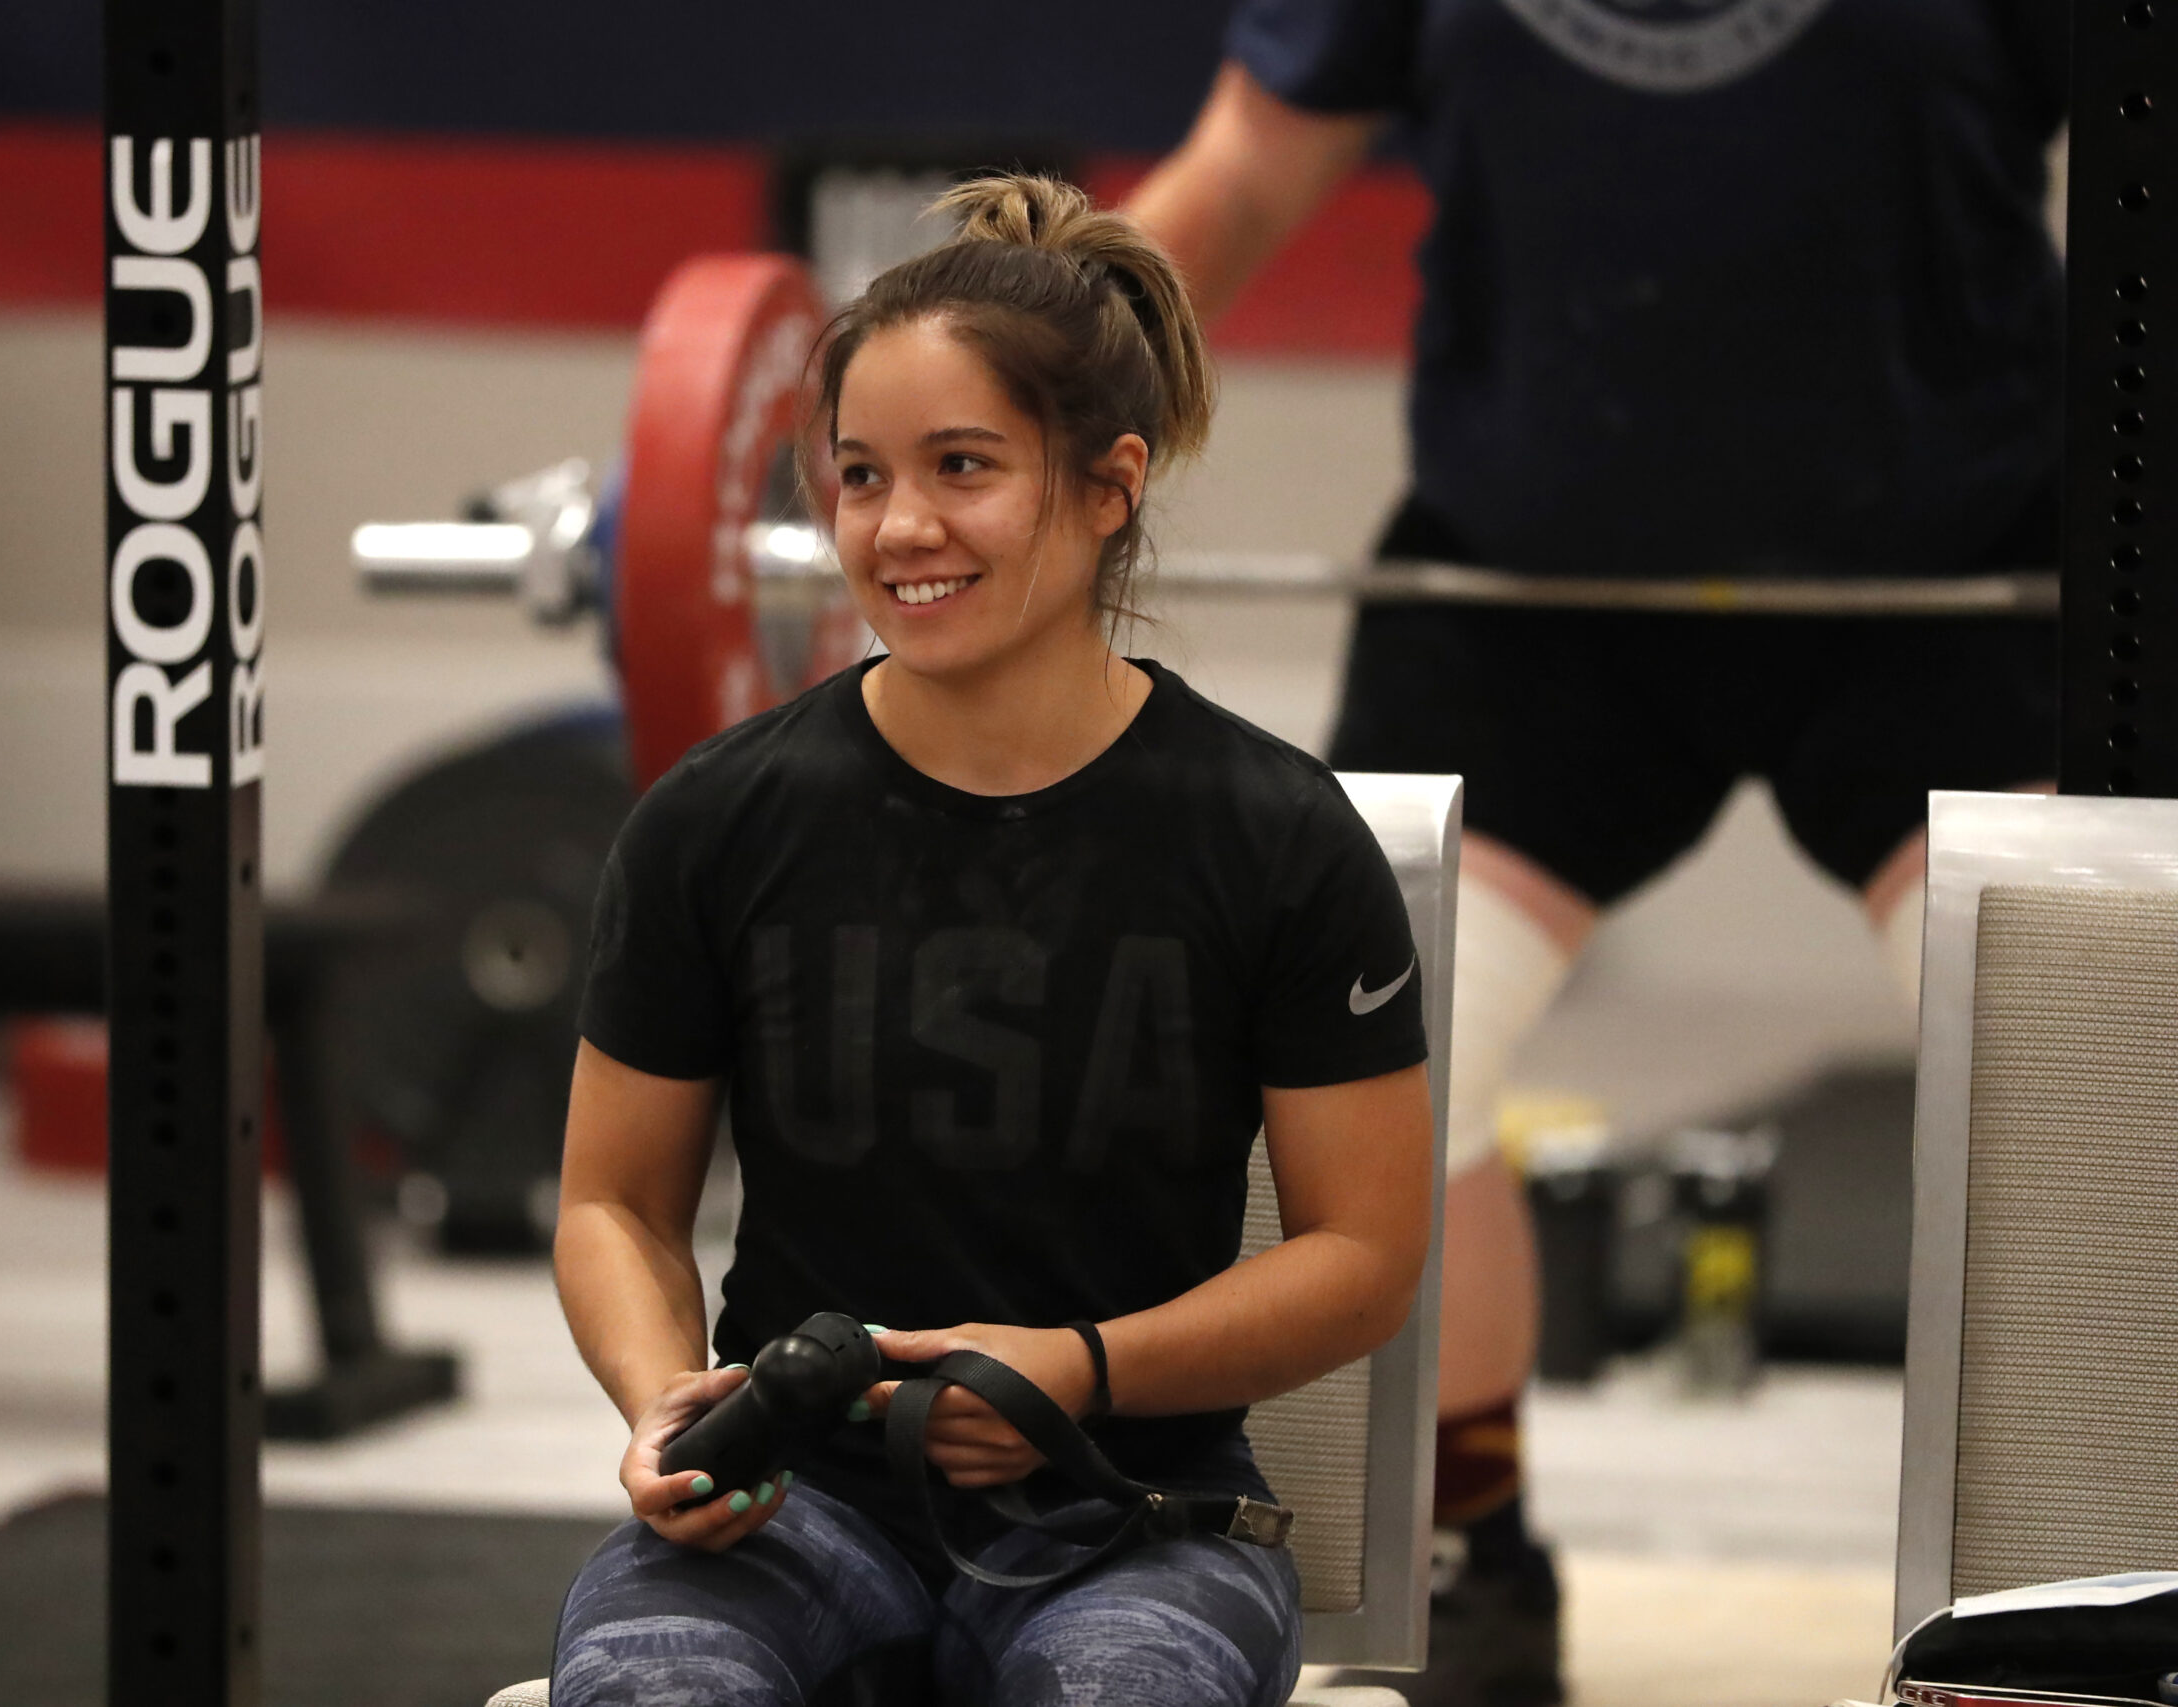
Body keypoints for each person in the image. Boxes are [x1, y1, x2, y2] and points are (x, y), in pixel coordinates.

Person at [1126, 5, 2065, 1703]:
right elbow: (1244, 182)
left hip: (1949, 583)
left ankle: (2058, 1607)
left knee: (2065, 1090)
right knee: (1368, 1063)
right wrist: (1009, 419)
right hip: (1535, 595)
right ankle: (1468, 1551)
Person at [548, 174, 1438, 1706]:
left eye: (963, 467)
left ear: (1109, 486)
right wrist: (662, 1409)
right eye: (857, 476)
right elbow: (613, 1204)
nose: (900, 529)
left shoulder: (1274, 835)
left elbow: (1363, 1256)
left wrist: (1078, 1370)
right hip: (793, 1507)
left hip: (1131, 1520)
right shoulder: (714, 822)